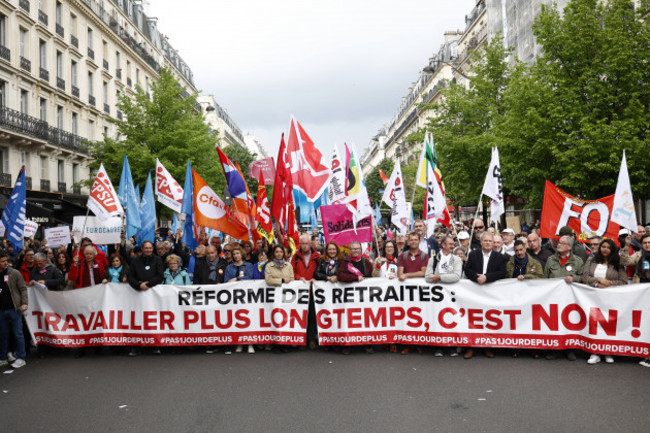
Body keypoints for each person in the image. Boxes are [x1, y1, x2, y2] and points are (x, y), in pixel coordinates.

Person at [582, 238, 627, 365]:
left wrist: (610, 284)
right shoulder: (591, 260)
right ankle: (594, 352)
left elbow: (623, 281)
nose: (605, 249)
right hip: (593, 298)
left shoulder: (618, 263)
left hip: (610, 299)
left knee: (608, 325)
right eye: (603, 246)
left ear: (612, 249)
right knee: (594, 325)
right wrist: (598, 282)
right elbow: (585, 277)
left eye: (608, 247)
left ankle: (607, 351)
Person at [463, 232, 507, 359]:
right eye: (485, 241)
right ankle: (471, 347)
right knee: (473, 321)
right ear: (481, 242)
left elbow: (502, 272)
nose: (488, 243)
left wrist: (487, 277)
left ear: (493, 243)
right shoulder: (473, 254)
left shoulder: (500, 257)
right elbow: (468, 270)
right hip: (475, 293)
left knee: (488, 321)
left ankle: (488, 347)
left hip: (491, 294)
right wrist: (477, 278)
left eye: (490, 241)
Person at [543, 235, 584, 361]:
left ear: (569, 247)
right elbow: (545, 278)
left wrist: (574, 279)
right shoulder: (551, 260)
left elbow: (582, 277)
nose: (558, 245)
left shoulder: (578, 261)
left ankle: (570, 350)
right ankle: (555, 349)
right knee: (554, 324)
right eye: (559, 242)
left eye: (562, 243)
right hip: (554, 299)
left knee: (569, 324)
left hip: (570, 299)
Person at [425, 235, 463, 357]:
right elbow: (427, 277)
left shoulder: (457, 260)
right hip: (437, 296)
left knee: (451, 320)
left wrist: (439, 277)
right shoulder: (433, 259)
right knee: (437, 319)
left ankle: (451, 346)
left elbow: (456, 276)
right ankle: (439, 347)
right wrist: (441, 278)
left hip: (452, 296)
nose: (453, 246)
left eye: (453, 244)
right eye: (450, 244)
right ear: (443, 245)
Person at [0, 252, 28, 368]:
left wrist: (24, 303)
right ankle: (3, 357)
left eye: (6, 260)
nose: (6, 263)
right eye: (2, 261)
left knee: (18, 334)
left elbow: (23, 288)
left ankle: (21, 357)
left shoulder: (14, 273)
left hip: (14, 309)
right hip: (1, 310)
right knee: (3, 335)